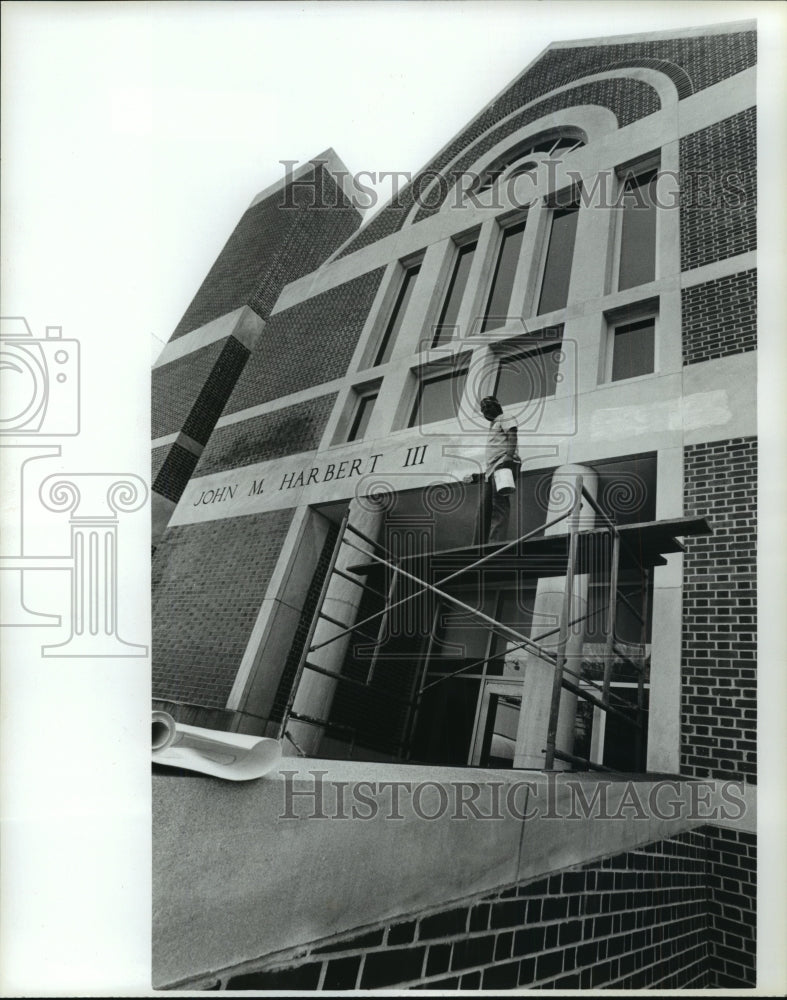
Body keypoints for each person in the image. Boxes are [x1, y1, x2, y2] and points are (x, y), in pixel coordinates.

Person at [467, 395, 519, 545]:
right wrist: (479, 476)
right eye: (483, 409)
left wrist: (509, 456)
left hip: (503, 464)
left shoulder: (504, 417)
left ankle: (494, 543)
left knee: (499, 505)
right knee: (483, 509)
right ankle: (478, 545)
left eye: (488, 406)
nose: (485, 411)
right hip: (492, 470)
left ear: (497, 406)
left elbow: (512, 434)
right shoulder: (494, 425)